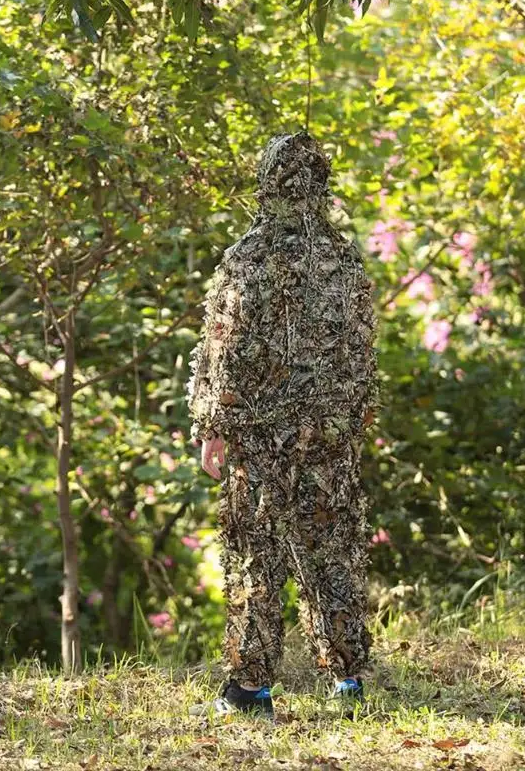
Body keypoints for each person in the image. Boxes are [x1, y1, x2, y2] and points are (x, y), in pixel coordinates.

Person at [185, 132, 378, 719]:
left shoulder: (248, 258)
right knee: (331, 548)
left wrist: (212, 425)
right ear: (321, 184)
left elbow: (225, 347)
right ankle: (348, 680)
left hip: (262, 432)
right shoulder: (343, 259)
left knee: (257, 555)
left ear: (267, 183)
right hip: (328, 431)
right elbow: (362, 351)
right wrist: (351, 420)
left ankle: (250, 689)